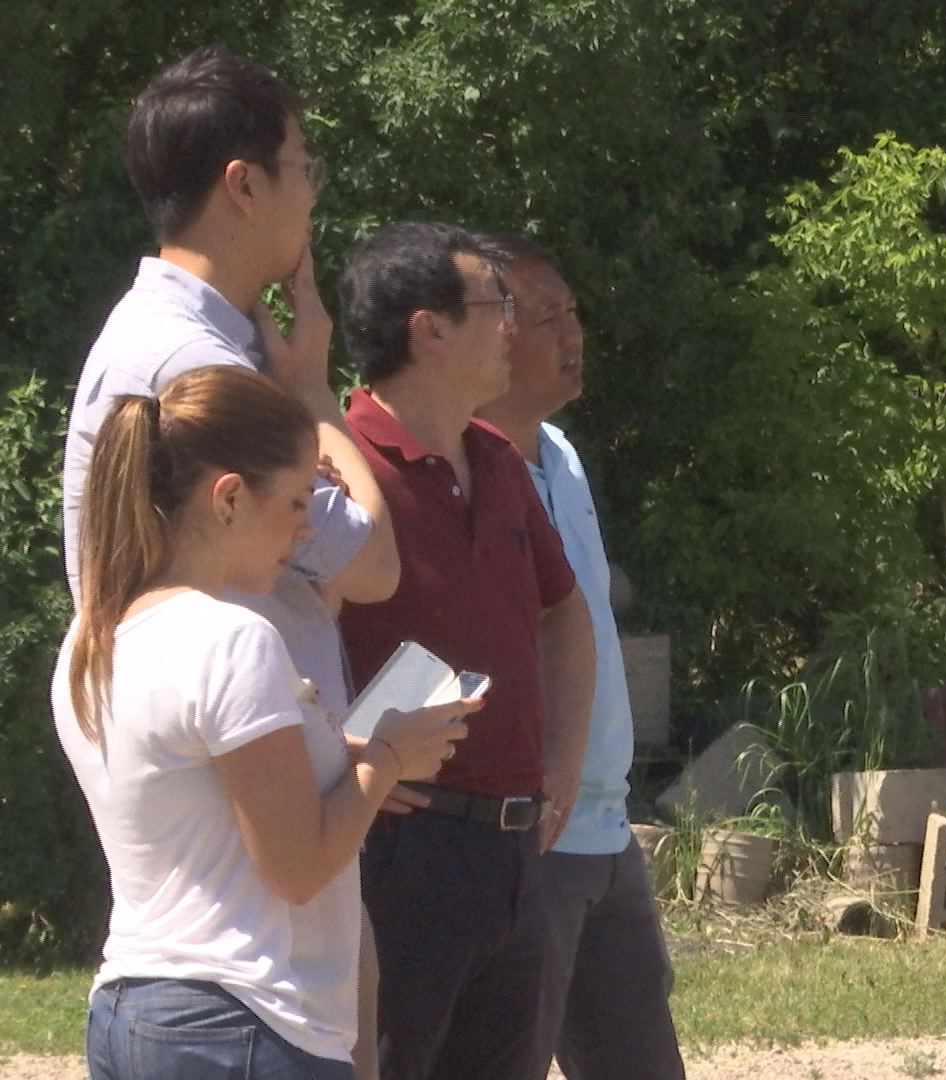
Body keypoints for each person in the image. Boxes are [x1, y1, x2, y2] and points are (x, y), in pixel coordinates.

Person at [60, 44, 402, 1079]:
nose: (314, 196)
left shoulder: (164, 337)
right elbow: (378, 564)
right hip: (244, 945)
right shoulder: (201, 365)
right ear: (242, 186)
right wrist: (315, 396)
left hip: (196, 916)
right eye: (305, 168)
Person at [53, 365, 469, 1080]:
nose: (307, 532)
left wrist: (345, 759)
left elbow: (197, 807)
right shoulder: (232, 638)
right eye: (299, 502)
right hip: (245, 1019)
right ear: (230, 497)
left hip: (132, 1009)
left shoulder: (91, 638)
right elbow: (297, 868)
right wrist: (387, 762)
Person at [335, 221, 596, 1080]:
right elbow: (268, 640)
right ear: (429, 329)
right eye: (497, 305)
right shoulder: (337, 471)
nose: (514, 327)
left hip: (517, 852)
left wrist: (561, 762)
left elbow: (564, 614)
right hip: (399, 856)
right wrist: (338, 754)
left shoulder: (500, 459)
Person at [472, 231, 685, 1079]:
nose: (573, 333)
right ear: (488, 330)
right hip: (522, 837)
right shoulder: (454, 469)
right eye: (546, 314)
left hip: (605, 830)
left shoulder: (559, 455)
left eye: (573, 312)